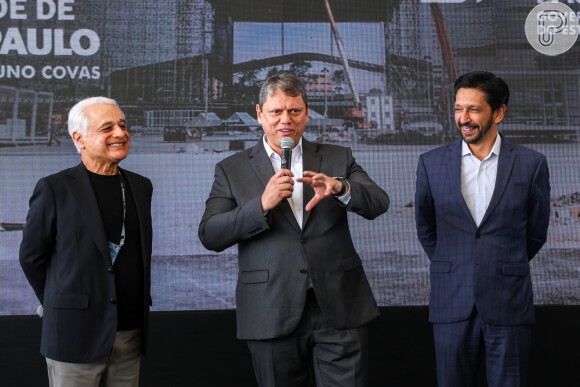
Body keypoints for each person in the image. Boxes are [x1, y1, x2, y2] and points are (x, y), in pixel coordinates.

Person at [199, 73, 390, 386]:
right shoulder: (231, 169)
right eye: (276, 112)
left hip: (339, 306)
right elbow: (210, 234)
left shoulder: (336, 156)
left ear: (307, 112)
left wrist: (341, 187)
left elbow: (379, 202)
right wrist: (261, 204)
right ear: (259, 114)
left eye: (294, 111)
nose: (285, 120)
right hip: (270, 308)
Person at [414, 71, 550, 387]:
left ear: (498, 112)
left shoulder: (532, 164)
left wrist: (502, 260)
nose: (464, 118)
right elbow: (426, 227)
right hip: (451, 300)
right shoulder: (430, 163)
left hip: (508, 302)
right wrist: (454, 261)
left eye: (474, 109)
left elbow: (536, 231)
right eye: (459, 108)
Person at [19, 97, 153, 387]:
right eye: (107, 127)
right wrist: (59, 304)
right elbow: (32, 258)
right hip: (74, 333)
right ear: (79, 138)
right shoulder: (54, 189)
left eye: (122, 125)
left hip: (129, 333)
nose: (120, 133)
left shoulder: (141, 187)